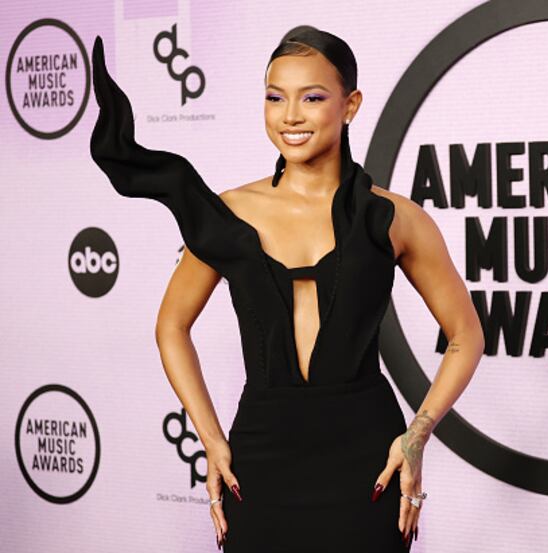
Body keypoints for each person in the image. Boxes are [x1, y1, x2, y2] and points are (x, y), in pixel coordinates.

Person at [89, 25, 483, 552]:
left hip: (367, 463)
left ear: (350, 105)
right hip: (260, 460)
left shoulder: (396, 218)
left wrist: (416, 438)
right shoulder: (228, 213)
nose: (290, 116)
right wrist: (211, 439)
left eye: (312, 98)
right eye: (275, 98)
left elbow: (466, 335)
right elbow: (171, 326)